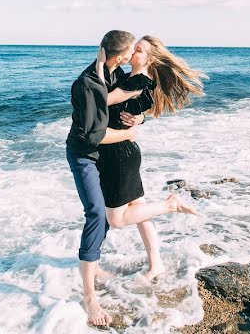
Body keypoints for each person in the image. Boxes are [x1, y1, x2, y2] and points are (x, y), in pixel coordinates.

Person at [97, 35, 205, 281]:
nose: (132, 52)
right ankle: (156, 264)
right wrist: (140, 118)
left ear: (150, 58)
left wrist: (97, 65)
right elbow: (130, 107)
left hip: (119, 155)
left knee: (117, 219)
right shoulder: (131, 79)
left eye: (138, 50)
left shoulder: (138, 81)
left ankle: (170, 205)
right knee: (139, 211)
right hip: (124, 151)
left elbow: (101, 99)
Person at [66, 30, 144, 327]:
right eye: (130, 51)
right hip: (85, 155)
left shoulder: (115, 73)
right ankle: (89, 297)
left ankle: (94, 266)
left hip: (107, 156)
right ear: (121, 55)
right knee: (97, 213)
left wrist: (138, 119)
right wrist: (127, 134)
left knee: (110, 206)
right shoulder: (87, 84)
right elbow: (92, 135)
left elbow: (129, 106)